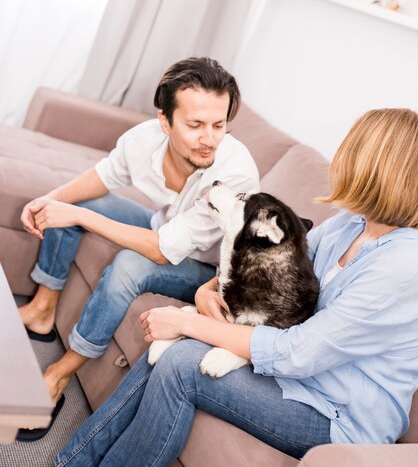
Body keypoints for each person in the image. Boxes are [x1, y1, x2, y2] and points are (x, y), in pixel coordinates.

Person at [53, 107, 418, 466]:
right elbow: (279, 265)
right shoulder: (350, 224)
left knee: (182, 364)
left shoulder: (401, 265)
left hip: (336, 414)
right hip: (296, 375)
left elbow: (298, 353)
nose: (340, 162)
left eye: (350, 153)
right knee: (172, 350)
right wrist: (207, 290)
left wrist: (187, 323)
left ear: (375, 169)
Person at [18, 57, 259, 410]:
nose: (209, 139)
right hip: (162, 227)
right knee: (79, 201)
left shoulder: (236, 174)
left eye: (219, 125)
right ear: (165, 121)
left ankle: (60, 374)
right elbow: (104, 176)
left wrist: (77, 214)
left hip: (207, 270)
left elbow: (161, 251)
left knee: (129, 264)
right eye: (195, 125)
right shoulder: (142, 139)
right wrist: (50, 200)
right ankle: (42, 307)